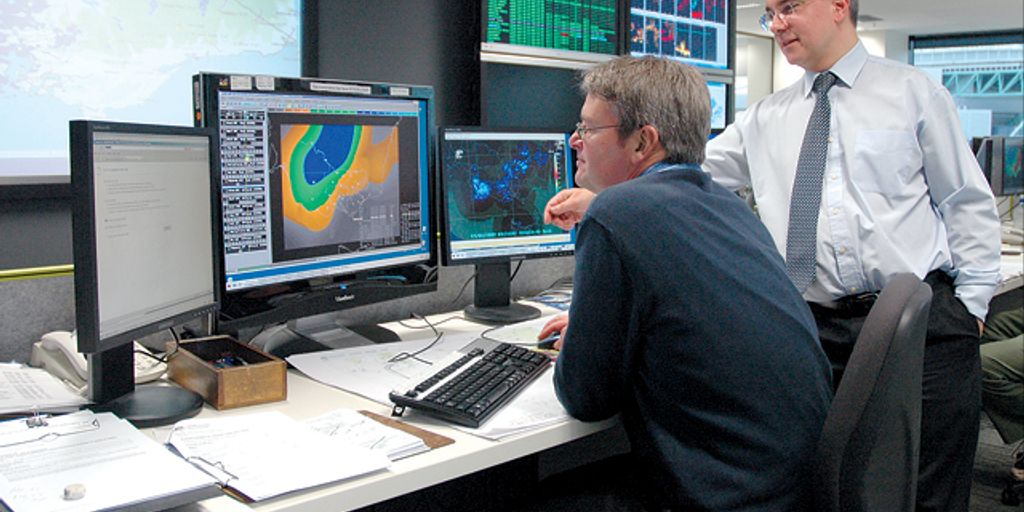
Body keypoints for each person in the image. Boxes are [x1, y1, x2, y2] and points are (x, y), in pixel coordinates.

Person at [544, 1, 1003, 510]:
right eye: (768, 13)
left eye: (789, 7)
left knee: (926, 490)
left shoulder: (913, 94)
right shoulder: (767, 115)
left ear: (839, 7)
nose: (777, 23)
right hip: (820, 327)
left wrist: (974, 306)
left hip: (921, 326)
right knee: (842, 484)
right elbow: (686, 170)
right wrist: (602, 206)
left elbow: (966, 202)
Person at [537, 55, 832, 511]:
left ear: (642, 142)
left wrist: (583, 341)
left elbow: (586, 397)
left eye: (589, 129)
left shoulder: (616, 215)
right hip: (787, 484)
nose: (575, 140)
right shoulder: (728, 207)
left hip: (721, 494)